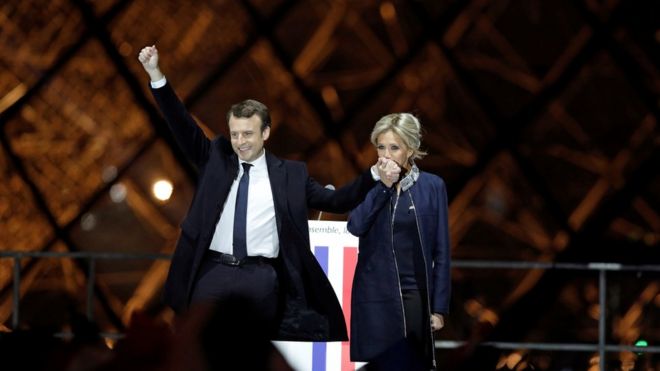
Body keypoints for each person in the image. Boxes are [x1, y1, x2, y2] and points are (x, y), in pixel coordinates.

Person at [137, 45, 381, 342]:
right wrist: (156, 75)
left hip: (260, 278)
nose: (240, 141)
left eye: (248, 134)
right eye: (235, 133)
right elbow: (181, 125)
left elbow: (337, 200)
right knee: (198, 345)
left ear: (265, 133)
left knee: (249, 352)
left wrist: (374, 175)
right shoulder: (216, 158)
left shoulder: (290, 175)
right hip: (213, 271)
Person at [347, 113, 451, 370]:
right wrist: (382, 186)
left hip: (415, 294)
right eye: (381, 147)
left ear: (410, 149)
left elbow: (442, 250)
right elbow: (355, 226)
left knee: (413, 363)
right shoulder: (369, 183)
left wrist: (438, 308)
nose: (386, 154)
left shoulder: (433, 186)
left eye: (394, 147)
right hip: (377, 294)